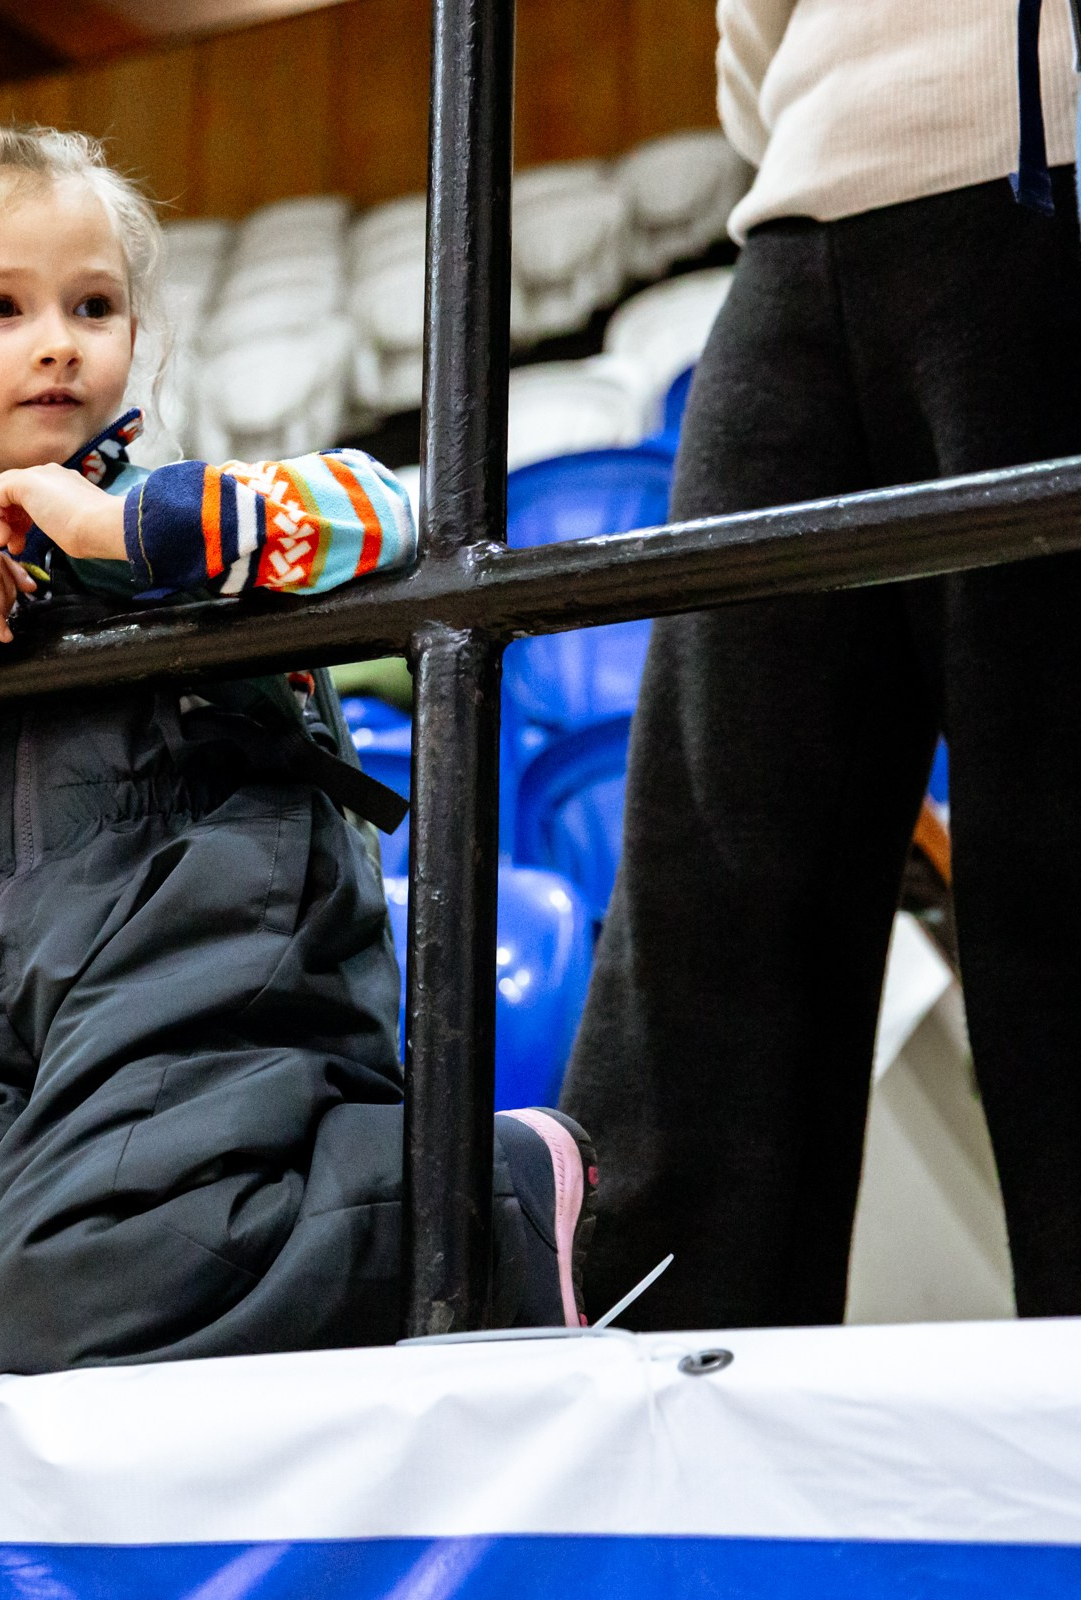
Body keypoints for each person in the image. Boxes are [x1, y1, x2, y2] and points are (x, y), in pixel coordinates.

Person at [0, 124, 601, 1374]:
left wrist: (128, 528)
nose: (55, 340)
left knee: (65, 1284)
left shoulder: (199, 509)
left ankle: (487, 1182)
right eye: (0, 305)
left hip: (216, 950)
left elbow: (394, 510)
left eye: (94, 304)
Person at [561, 0, 1081, 1329]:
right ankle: (662, 1423)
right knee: (710, 878)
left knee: (1056, 854)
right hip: (799, 218)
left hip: (1056, 174)